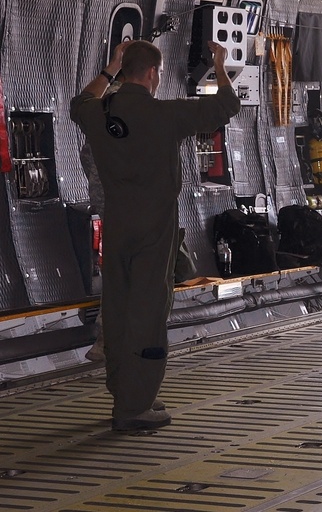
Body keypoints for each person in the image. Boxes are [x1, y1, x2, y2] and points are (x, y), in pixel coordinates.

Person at [70, 39, 240, 431]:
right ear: (152, 74)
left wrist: (110, 69)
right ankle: (135, 407)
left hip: (115, 223)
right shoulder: (165, 114)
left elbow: (79, 102)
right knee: (148, 311)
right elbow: (226, 106)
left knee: (117, 305)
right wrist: (218, 64)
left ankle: (125, 390)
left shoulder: (99, 113)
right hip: (154, 224)